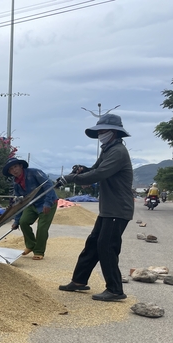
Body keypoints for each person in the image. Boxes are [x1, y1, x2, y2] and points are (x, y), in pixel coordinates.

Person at [56, 113, 134, 301]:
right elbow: (94, 170)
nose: (100, 134)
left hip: (118, 209)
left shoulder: (118, 152)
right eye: (99, 131)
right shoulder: (108, 150)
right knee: (93, 243)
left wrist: (70, 178)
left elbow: (99, 175)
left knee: (107, 247)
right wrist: (83, 169)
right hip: (108, 209)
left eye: (103, 131)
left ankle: (115, 289)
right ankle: (79, 281)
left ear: (114, 132)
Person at [2, 157, 58, 260]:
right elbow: (20, 202)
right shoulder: (16, 183)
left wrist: (48, 203)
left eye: (15, 167)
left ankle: (39, 251)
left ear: (21, 166)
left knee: (42, 227)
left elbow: (49, 186)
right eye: (11, 169)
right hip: (32, 204)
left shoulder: (35, 173)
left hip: (47, 202)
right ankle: (31, 245)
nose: (14, 170)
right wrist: (17, 221)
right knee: (24, 222)